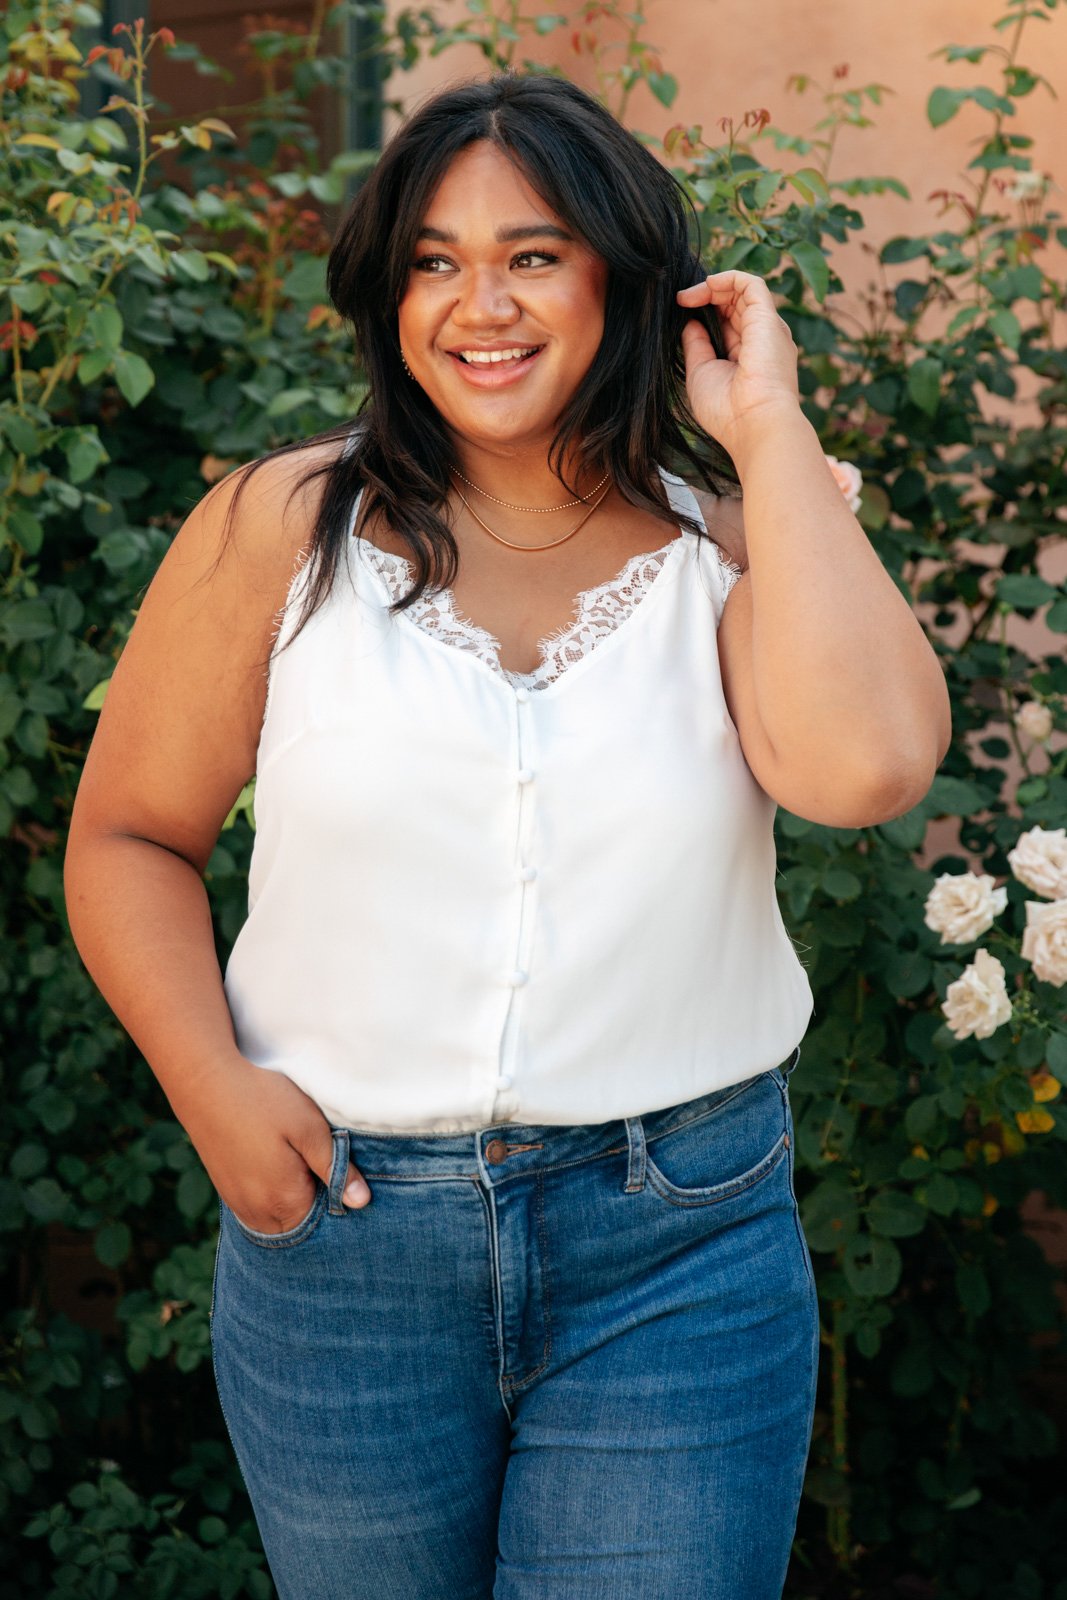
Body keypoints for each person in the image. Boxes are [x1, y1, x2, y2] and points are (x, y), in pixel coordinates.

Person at [64, 71, 951, 1600]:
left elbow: (867, 768)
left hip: (678, 1247)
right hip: (340, 1244)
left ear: (624, 276)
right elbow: (130, 836)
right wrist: (210, 1091)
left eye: (534, 254)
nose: (480, 302)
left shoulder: (731, 546)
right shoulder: (280, 528)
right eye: (434, 259)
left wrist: (770, 431)